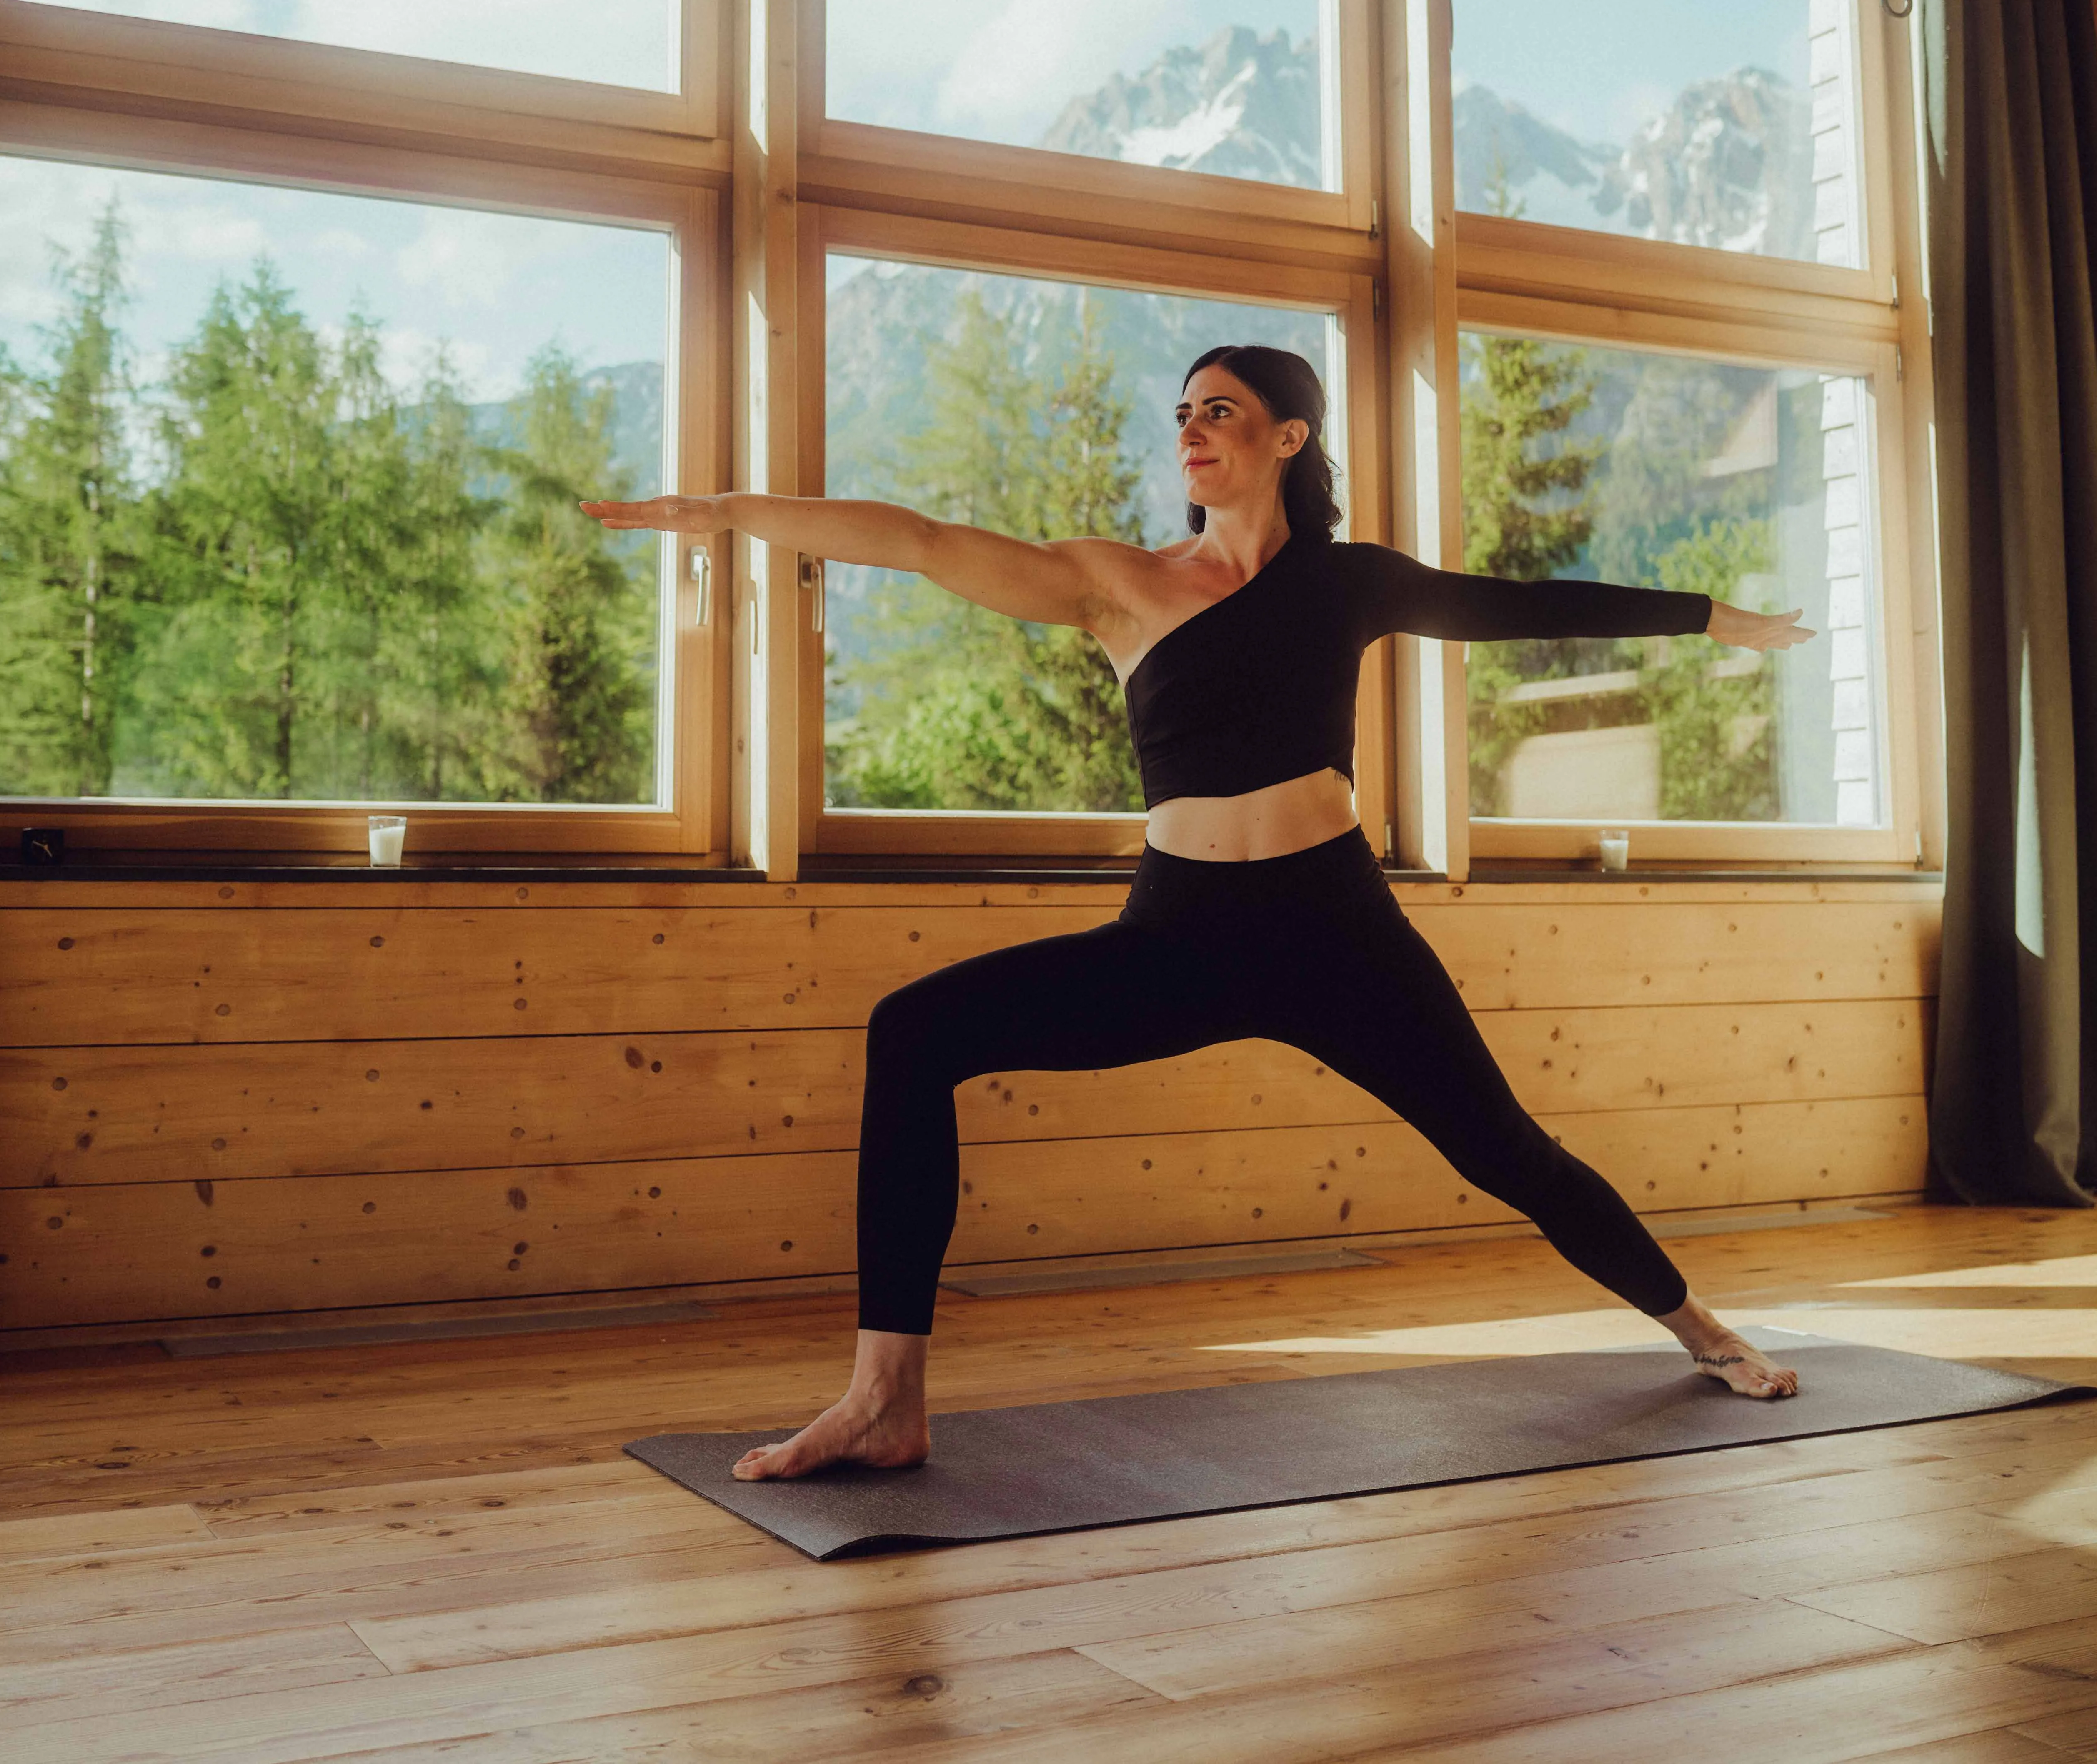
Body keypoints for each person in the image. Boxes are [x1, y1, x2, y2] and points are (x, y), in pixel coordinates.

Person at [583, 344, 1817, 1481]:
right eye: (1180, 414)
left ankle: (1696, 1327)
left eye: (1217, 410)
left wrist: (1705, 615)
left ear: (1290, 436)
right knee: (914, 1030)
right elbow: (915, 537)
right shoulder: (1116, 583)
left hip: (1335, 929)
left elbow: (1512, 604)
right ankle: (883, 1398)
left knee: (1504, 1148)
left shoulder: (1349, 583)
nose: (1189, 430)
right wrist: (727, 515)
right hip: (1180, 934)